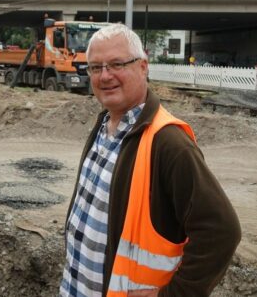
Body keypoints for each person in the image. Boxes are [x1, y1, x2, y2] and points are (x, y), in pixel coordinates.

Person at [60, 24, 241, 297]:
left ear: (143, 67)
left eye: (116, 64)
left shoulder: (169, 144)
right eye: (96, 67)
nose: (104, 76)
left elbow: (221, 231)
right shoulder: (103, 126)